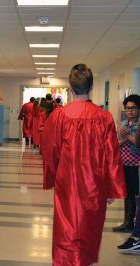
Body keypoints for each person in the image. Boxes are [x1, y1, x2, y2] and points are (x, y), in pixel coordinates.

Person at [41, 63, 126, 266]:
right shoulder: (104, 117)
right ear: (91, 87)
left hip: (67, 183)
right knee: (90, 227)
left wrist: (53, 175)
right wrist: (111, 189)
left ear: (70, 87)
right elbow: (112, 155)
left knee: (66, 227)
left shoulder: (59, 116)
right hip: (94, 185)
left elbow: (49, 150)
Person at [113, 94, 140, 232]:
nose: (130, 111)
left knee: (136, 194)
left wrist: (127, 135)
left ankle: (134, 224)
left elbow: (138, 142)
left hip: (137, 166)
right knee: (128, 194)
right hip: (125, 164)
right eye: (128, 108)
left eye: (133, 108)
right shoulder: (123, 123)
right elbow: (117, 143)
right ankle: (128, 222)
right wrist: (124, 137)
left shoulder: (139, 124)